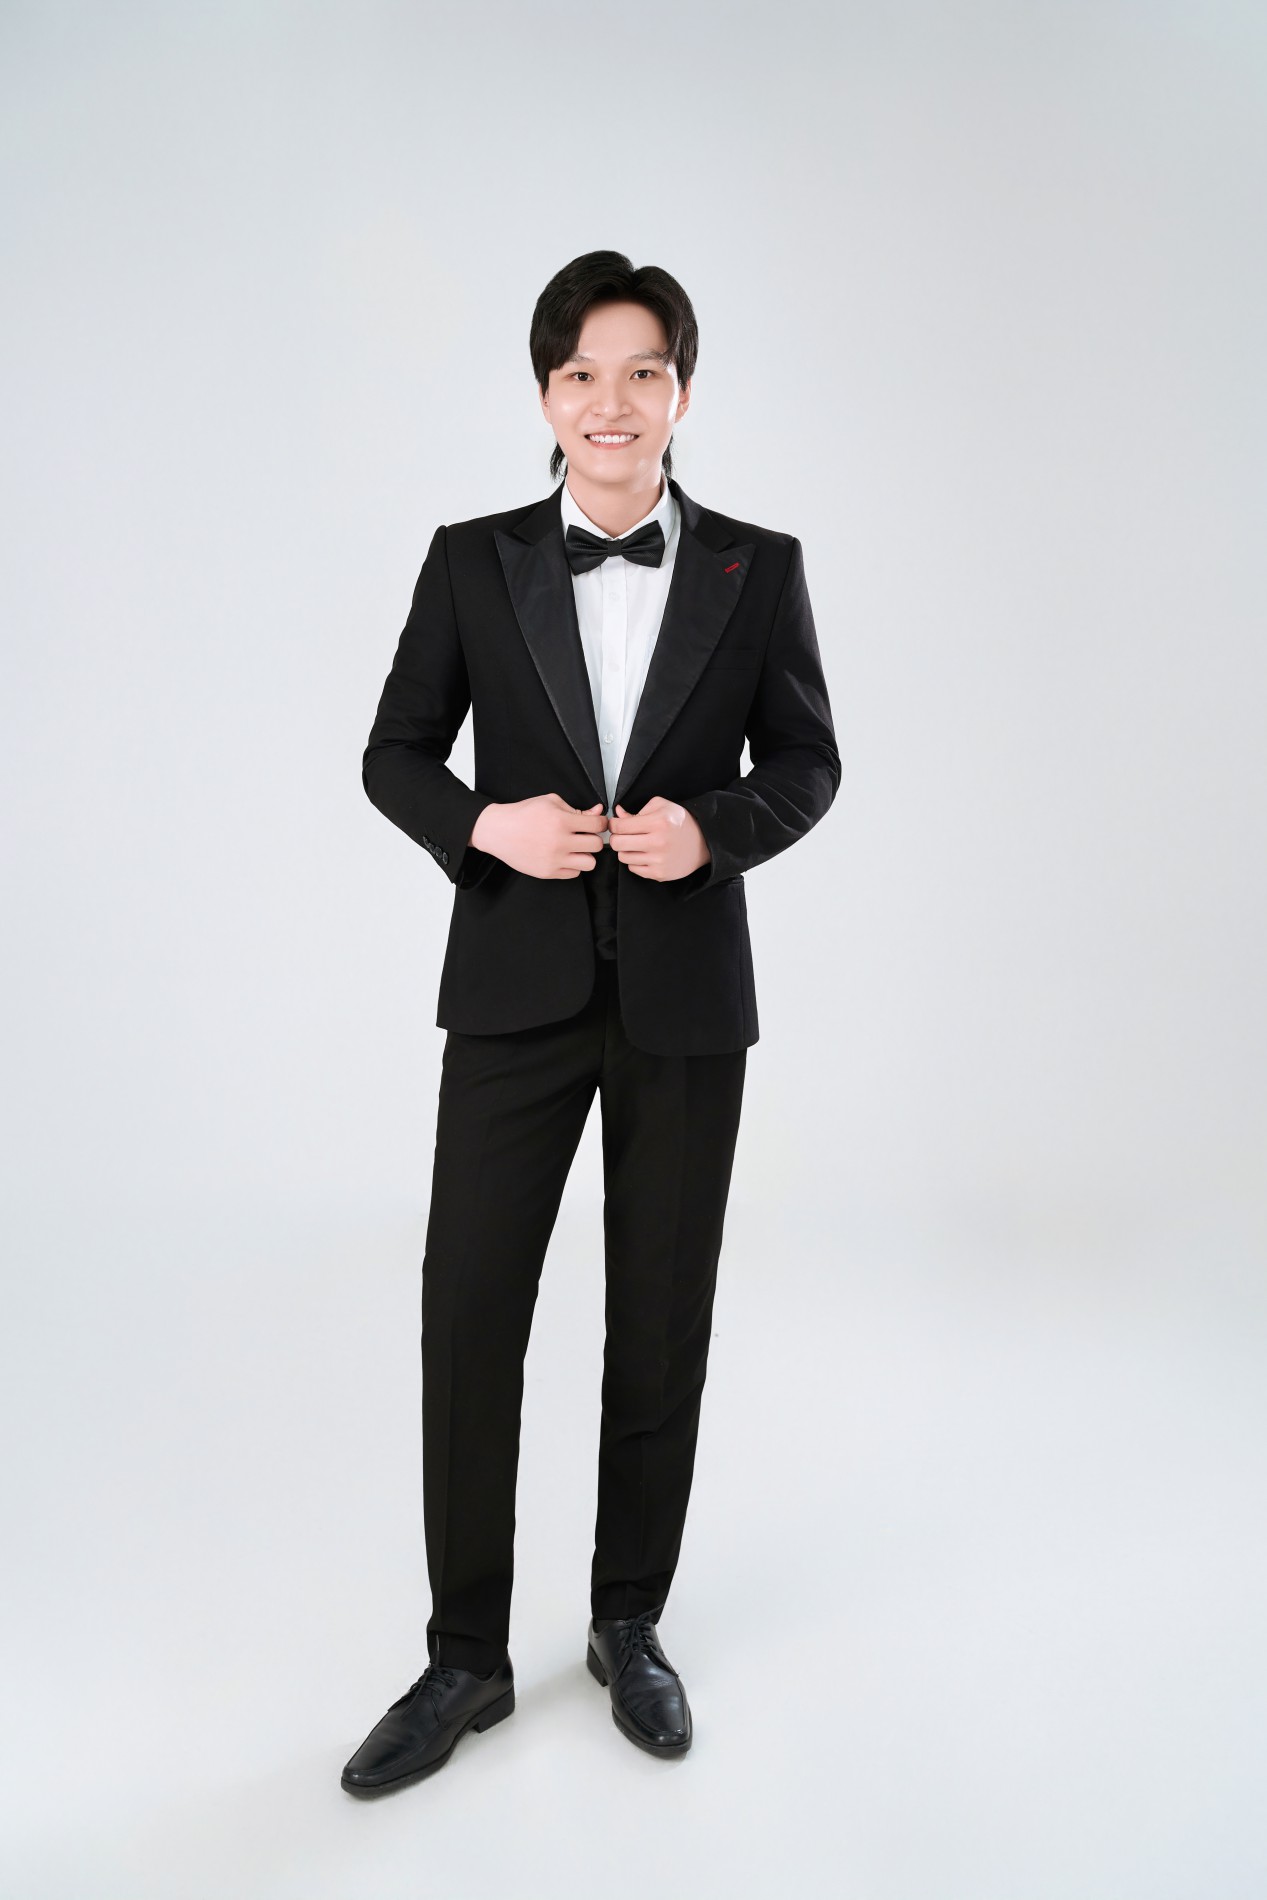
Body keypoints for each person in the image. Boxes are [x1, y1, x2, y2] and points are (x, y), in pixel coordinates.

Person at [341, 250, 840, 1793]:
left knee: (660, 1316)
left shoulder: (761, 567)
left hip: (687, 1002)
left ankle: (629, 1623)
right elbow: (395, 754)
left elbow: (808, 764)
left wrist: (716, 832)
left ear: (681, 391)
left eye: (642, 373)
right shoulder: (471, 560)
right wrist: (485, 827)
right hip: (514, 989)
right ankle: (465, 1658)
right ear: (546, 394)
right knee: (469, 1307)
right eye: (580, 375)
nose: (610, 404)